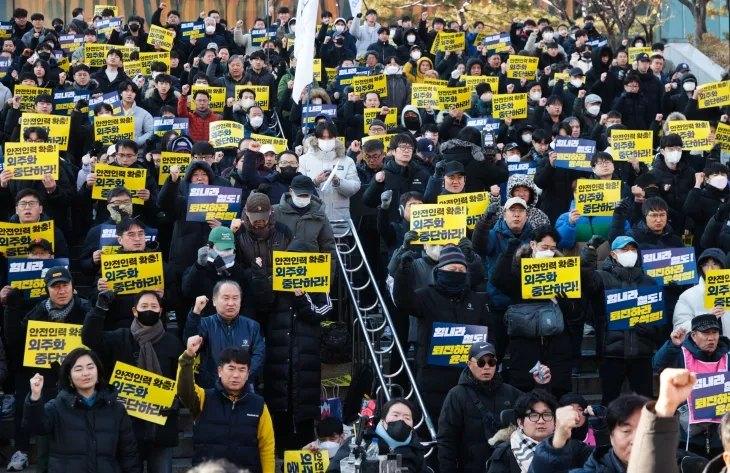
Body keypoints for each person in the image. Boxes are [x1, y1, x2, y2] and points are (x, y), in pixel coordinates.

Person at [394, 245, 497, 429]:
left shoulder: (476, 300)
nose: (456, 272)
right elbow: (403, 300)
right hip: (432, 379)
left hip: (469, 379)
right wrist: (403, 272)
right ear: (439, 270)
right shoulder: (425, 296)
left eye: (461, 270)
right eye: (452, 269)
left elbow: (490, 333)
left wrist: (485, 358)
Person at [81, 290, 184, 473]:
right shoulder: (119, 337)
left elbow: (182, 381)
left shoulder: (173, 343)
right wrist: (99, 308)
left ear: (161, 311)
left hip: (161, 427)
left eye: (153, 306)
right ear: (134, 311)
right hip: (126, 428)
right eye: (144, 306)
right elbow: (90, 339)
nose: (149, 310)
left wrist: (176, 401)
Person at [3, 266, 92, 473]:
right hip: (48, 387)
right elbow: (15, 341)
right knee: (45, 448)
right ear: (47, 289)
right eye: (56, 286)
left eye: (66, 285)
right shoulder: (38, 311)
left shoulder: (87, 309)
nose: (62, 291)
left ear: (73, 286)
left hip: (81, 385)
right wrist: (11, 308)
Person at [261, 239, 333, 451]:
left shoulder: (319, 284)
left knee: (305, 414)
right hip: (278, 356)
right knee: (279, 409)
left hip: (306, 359)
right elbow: (262, 303)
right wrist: (269, 279)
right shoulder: (276, 283)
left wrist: (303, 298)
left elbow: (322, 312)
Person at [438, 342, 551, 473]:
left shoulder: (509, 392)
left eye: (491, 362)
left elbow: (537, 410)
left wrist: (542, 385)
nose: (486, 367)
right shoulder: (456, 395)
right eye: (481, 362)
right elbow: (446, 440)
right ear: (469, 364)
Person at [491, 226, 577, 398]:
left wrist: (564, 300)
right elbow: (498, 280)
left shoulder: (564, 270)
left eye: (552, 249)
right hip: (525, 342)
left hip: (555, 342)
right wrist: (508, 252)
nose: (549, 252)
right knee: (524, 393)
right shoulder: (519, 267)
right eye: (544, 248)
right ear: (533, 245)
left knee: (557, 391)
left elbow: (574, 311)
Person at [23, 348, 139, 473]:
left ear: (98, 372)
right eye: (78, 369)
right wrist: (35, 397)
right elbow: (36, 426)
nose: (86, 373)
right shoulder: (56, 407)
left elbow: (129, 454)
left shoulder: (116, 409)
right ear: (69, 377)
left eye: (90, 367)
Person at [580, 235, 659, 405]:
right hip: (611, 353)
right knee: (610, 402)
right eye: (624, 249)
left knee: (645, 404)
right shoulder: (601, 278)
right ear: (613, 255)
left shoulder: (649, 282)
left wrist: (652, 330)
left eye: (632, 249)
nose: (629, 253)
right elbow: (584, 278)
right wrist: (590, 251)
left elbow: (658, 317)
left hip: (642, 354)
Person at [177, 338, 275, 473]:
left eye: (242, 370)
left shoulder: (258, 405)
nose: (236, 375)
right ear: (219, 371)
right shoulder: (203, 398)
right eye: (231, 369)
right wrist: (188, 357)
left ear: (247, 374)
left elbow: (267, 447)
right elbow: (184, 391)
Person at [653, 314, 730, 458]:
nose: (711, 338)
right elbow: (658, 365)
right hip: (688, 431)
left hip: (721, 431)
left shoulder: (727, 355)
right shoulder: (681, 352)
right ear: (693, 335)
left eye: (715, 332)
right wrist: (672, 345)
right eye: (706, 333)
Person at [183, 282, 265, 389]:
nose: (231, 303)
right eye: (226, 298)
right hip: (212, 387)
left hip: (244, 387)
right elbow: (190, 343)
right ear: (214, 301)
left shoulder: (252, 326)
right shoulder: (205, 324)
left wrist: (242, 377)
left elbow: (259, 357)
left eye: (235, 298)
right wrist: (195, 312)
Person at [298, 121, 361, 222]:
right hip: (311, 218)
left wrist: (338, 182)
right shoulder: (303, 160)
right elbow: (298, 188)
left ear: (336, 138)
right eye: (322, 138)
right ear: (316, 138)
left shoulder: (347, 160)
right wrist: (315, 182)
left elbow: (355, 187)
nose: (326, 141)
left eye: (330, 137)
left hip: (339, 218)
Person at [486, 390, 561, 473]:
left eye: (546, 415)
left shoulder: (571, 449)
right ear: (520, 423)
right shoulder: (506, 454)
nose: (541, 421)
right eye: (533, 416)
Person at [273, 175, 337, 257]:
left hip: (312, 265)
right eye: (299, 195)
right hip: (283, 265)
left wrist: (330, 268)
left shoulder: (320, 215)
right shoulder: (275, 212)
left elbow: (328, 245)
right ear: (291, 191)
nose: (303, 198)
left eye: (306, 195)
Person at [674, 248, 730, 333]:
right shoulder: (688, 296)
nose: (710, 269)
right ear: (701, 268)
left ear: (723, 266)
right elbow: (679, 328)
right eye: (705, 265)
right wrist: (705, 320)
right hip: (702, 345)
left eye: (715, 264)